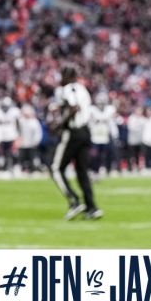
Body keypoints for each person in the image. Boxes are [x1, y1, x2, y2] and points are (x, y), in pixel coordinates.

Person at [51, 65, 102, 220]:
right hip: (86, 132)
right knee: (82, 172)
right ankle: (92, 207)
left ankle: (74, 201)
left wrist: (60, 124)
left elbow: (74, 108)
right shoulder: (83, 89)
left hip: (74, 132)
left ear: (67, 76)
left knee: (56, 169)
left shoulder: (68, 89)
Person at [90, 93, 117, 177]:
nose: (101, 105)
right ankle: (94, 170)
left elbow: (111, 123)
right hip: (95, 137)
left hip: (105, 136)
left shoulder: (109, 109)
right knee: (95, 155)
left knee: (107, 154)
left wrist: (114, 135)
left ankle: (107, 169)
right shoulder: (92, 110)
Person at [0, 97, 20, 172]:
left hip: (11, 130)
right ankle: (2, 166)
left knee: (12, 151)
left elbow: (18, 123)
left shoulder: (14, 111)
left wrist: (18, 133)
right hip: (1, 130)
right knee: (0, 150)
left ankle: (13, 165)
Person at [17, 103, 43, 174]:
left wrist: (36, 141)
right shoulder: (21, 121)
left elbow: (38, 133)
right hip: (23, 143)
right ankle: (23, 169)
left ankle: (32, 169)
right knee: (22, 157)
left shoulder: (34, 121)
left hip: (32, 144)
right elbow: (19, 131)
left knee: (32, 157)